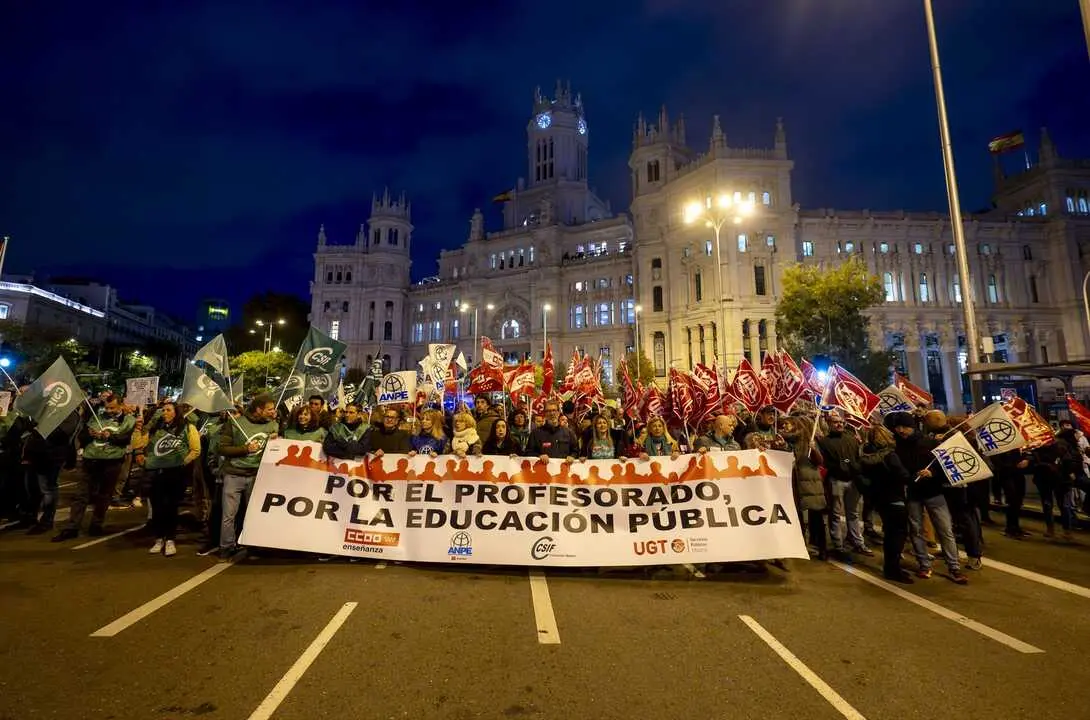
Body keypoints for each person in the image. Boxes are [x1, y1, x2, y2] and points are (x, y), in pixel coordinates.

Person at [888, 411, 967, 584]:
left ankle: (954, 567)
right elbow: (897, 470)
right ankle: (924, 565)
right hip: (913, 494)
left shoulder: (929, 443)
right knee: (916, 531)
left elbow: (944, 466)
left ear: (912, 426)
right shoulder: (896, 447)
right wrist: (908, 478)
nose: (900, 430)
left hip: (934, 492)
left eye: (904, 426)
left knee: (945, 530)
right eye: (898, 427)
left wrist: (932, 473)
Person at [54, 394, 135, 542]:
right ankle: (72, 527)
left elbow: (124, 439)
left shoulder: (128, 420)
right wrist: (90, 435)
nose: (109, 411)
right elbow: (82, 437)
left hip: (111, 462)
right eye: (107, 407)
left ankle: (96, 524)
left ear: (121, 406)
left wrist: (108, 436)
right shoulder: (97, 417)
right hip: (90, 460)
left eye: (112, 408)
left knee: (104, 495)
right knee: (81, 495)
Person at [217, 395, 278, 559]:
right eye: (270, 409)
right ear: (259, 410)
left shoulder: (273, 425)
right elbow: (222, 448)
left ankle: (253, 546)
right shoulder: (235, 423)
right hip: (233, 475)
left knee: (253, 514)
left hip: (257, 476)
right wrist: (245, 449)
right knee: (229, 515)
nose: (273, 411)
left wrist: (275, 442)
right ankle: (226, 547)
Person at [138, 401, 200, 556]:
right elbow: (140, 444)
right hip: (155, 472)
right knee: (157, 507)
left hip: (175, 473)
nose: (164, 412)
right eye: (163, 410)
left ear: (176, 412)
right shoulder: (155, 428)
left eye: (168, 410)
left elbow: (195, 450)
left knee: (171, 506)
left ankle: (170, 539)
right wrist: (139, 431)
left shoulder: (188, 428)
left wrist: (182, 462)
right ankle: (159, 538)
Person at [860, 424, 913, 583]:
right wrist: (914, 477)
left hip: (879, 499)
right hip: (895, 498)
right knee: (898, 535)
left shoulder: (867, 456)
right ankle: (893, 569)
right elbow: (902, 475)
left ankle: (891, 567)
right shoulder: (890, 456)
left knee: (890, 534)